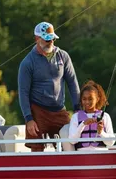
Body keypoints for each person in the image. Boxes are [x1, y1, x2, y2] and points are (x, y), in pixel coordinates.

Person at [18, 21, 80, 152]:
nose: (51, 42)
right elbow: (23, 92)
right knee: (36, 149)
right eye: (47, 39)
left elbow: (72, 83)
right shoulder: (27, 62)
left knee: (70, 143)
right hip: (38, 111)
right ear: (37, 39)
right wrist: (29, 119)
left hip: (59, 109)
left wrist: (77, 109)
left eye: (52, 38)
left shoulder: (63, 56)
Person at [68, 81, 115, 149]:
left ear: (97, 99)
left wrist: (101, 132)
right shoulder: (75, 117)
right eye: (84, 99)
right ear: (81, 100)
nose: (87, 102)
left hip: (101, 153)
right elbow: (72, 141)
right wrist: (83, 124)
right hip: (82, 154)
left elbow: (111, 142)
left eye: (90, 99)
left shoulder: (105, 116)